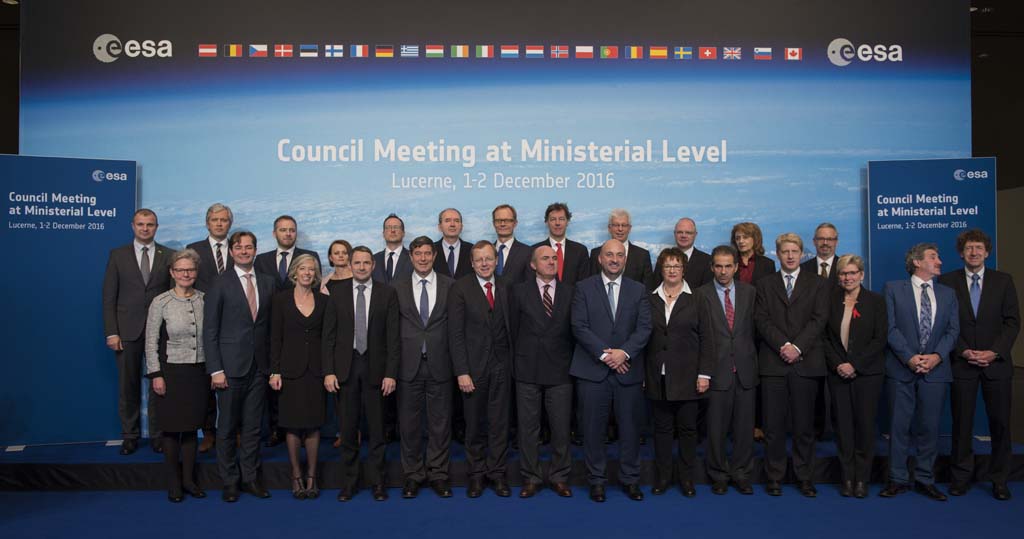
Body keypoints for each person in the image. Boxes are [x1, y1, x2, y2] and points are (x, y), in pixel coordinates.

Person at [938, 230, 1019, 501]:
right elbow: (944, 323)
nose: (974, 252)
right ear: (961, 253)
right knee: (962, 424)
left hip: (996, 365)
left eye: (979, 248)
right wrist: (963, 351)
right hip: (963, 364)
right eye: (969, 248)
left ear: (987, 252)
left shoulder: (1003, 281)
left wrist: (993, 352)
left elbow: (1012, 322)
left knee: (1000, 424)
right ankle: (960, 478)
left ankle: (999, 480)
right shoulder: (947, 282)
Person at [570, 239, 652, 502]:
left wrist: (623, 353)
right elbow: (579, 326)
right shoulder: (583, 288)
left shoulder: (638, 289)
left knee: (630, 430)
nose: (614, 259)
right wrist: (607, 355)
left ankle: (630, 479)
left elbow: (644, 328)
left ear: (625, 259)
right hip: (593, 371)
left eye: (619, 255)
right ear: (600, 258)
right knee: (593, 431)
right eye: (609, 254)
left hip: (628, 371)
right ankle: (596, 481)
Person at [881, 243, 958, 502]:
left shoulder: (948, 294)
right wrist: (910, 358)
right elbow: (890, 328)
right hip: (902, 369)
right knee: (898, 426)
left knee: (930, 427)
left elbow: (952, 331)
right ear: (917, 261)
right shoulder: (893, 289)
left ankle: (925, 479)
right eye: (933, 257)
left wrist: (936, 357)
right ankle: (898, 479)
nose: (939, 261)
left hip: (935, 371)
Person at [322, 246, 400, 502]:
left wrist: (391, 373)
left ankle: (378, 483)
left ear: (373, 266)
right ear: (350, 264)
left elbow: (393, 337)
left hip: (376, 369)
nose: (362, 267)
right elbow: (329, 336)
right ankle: (350, 483)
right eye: (358, 262)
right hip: (346, 368)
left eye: (367, 262)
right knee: (347, 429)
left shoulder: (387, 293)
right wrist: (329, 371)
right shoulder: (337, 293)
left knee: (377, 431)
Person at [754, 233, 829, 497]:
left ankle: (804, 477)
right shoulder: (764, 284)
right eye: (784, 251)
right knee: (773, 427)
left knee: (804, 427)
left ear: (801, 254)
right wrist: (782, 346)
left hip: (806, 363)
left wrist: (796, 347)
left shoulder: (818, 284)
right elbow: (761, 319)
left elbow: (820, 319)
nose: (789, 255)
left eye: (794, 251)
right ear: (777, 253)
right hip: (773, 363)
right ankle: (774, 476)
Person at [203, 231, 275, 502]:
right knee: (228, 427)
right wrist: (215, 369)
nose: (244, 251)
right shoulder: (219, 283)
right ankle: (229, 481)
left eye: (249, 247)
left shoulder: (267, 283)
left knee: (254, 427)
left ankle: (250, 478)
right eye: (239, 248)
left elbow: (269, 327)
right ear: (231, 252)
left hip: (259, 367)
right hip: (229, 369)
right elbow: (210, 330)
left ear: (256, 250)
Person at [103, 208, 172, 455]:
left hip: (160, 333)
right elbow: (109, 297)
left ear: (156, 226)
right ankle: (130, 435)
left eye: (150, 224)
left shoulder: (169, 255)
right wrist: (112, 332)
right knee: (128, 385)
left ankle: (157, 435)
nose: (145, 228)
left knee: (158, 384)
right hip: (127, 331)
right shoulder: (118, 255)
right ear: (133, 226)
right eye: (141, 224)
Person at [645, 247, 714, 497]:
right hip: (657, 376)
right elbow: (646, 338)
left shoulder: (697, 298)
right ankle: (663, 478)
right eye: (667, 266)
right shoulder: (649, 297)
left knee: (687, 431)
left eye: (676, 266)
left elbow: (708, 339)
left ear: (684, 269)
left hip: (688, 377)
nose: (672, 270)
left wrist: (704, 374)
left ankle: (687, 479)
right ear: (661, 270)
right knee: (661, 431)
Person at [508, 246, 575, 498]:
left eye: (553, 258)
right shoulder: (518, 292)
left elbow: (574, 331)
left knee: (560, 428)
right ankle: (531, 477)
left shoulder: (570, 291)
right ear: (533, 265)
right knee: (528, 429)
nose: (550, 261)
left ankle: (559, 476)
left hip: (561, 370)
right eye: (544, 258)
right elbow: (513, 330)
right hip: (527, 369)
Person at [448, 241, 514, 498]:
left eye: (489, 258)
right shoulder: (460, 288)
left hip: (502, 366)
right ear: (472, 263)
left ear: (496, 260)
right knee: (474, 425)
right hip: (472, 370)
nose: (485, 263)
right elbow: (455, 334)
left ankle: (497, 474)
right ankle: (476, 475)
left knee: (500, 424)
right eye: (479, 260)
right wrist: (462, 371)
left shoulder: (507, 286)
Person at [394, 236, 456, 499]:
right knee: (409, 425)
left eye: (427, 253)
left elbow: (456, 328)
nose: (422, 258)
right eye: (417, 253)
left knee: (440, 425)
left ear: (434, 256)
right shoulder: (395, 288)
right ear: (411, 257)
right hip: (408, 366)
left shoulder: (450, 286)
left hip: (441, 364)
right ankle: (413, 475)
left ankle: (438, 475)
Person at [144, 249, 207, 502]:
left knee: (191, 429)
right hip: (170, 372)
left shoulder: (205, 299)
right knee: (171, 430)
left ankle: (190, 480)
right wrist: (156, 374)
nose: (185, 274)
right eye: (180, 270)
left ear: (196, 272)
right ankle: (174, 483)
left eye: (190, 270)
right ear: (172, 273)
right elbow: (150, 342)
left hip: (198, 371)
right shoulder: (161, 302)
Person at [254, 214, 322, 447]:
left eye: (292, 230)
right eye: (283, 230)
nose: (288, 233)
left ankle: (302, 431)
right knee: (276, 387)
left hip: (301, 327)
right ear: (274, 233)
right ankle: (276, 429)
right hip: (270, 327)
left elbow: (317, 287)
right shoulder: (261, 260)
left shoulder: (310, 257)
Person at [823, 255, 887, 498]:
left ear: (861, 274)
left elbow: (879, 339)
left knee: (865, 426)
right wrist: (839, 364)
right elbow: (825, 338)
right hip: (838, 373)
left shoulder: (875, 301)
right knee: (843, 428)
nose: (847, 278)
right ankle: (847, 477)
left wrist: (855, 365)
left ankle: (862, 479)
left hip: (866, 374)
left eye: (852, 273)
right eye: (843, 274)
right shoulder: (830, 301)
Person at [698, 245, 758, 495]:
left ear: (736, 267)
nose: (723, 271)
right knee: (716, 429)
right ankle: (718, 474)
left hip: (745, 370)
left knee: (745, 429)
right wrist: (703, 372)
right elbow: (699, 336)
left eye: (728, 266)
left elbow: (756, 330)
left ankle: (742, 473)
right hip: (716, 370)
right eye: (718, 266)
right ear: (712, 267)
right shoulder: (701, 294)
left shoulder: (751, 293)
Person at [269, 254, 327, 500]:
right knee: (292, 424)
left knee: (313, 424)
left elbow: (329, 338)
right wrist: (275, 370)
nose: (307, 273)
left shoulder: (324, 301)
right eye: (303, 269)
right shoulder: (280, 300)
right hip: (289, 372)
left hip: (316, 372)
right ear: (295, 272)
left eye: (311, 270)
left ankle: (312, 477)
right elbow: (274, 337)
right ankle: (296, 475)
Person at [186, 202, 234, 453]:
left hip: (234, 324)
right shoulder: (194, 250)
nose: (219, 223)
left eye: (224, 220)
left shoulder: (239, 248)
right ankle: (209, 433)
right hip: (205, 322)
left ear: (230, 223)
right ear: (207, 223)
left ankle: (232, 430)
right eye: (215, 220)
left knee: (233, 381)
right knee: (207, 381)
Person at [589, 209, 653, 289]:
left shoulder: (642, 256)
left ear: (629, 228)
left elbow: (648, 290)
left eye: (624, 225)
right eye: (616, 225)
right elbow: (590, 286)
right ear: (609, 228)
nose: (620, 229)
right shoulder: (596, 253)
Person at [532, 202, 590, 286]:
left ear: (567, 222)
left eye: (561, 219)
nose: (557, 223)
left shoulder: (580, 251)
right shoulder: (535, 250)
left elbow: (584, 284)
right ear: (546, 222)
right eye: (553, 219)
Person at [655, 217, 712, 290]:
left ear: (695, 234)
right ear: (674, 234)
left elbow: (707, 292)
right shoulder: (663, 259)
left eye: (688, 233)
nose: (683, 236)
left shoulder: (707, 261)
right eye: (680, 232)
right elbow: (655, 288)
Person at [492, 204, 532, 285]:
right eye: (498, 220)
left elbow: (530, 285)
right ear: (493, 223)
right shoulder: (487, 252)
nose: (502, 224)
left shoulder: (528, 252)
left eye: (507, 220)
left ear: (515, 223)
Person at [433, 208, 474, 280]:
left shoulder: (472, 250)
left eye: (456, 221)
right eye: (447, 220)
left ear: (461, 227)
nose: (452, 224)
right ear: (440, 227)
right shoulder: (431, 250)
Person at [373, 214, 413, 284]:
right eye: (388, 227)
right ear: (383, 233)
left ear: (403, 233)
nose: (392, 230)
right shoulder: (374, 259)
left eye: (396, 227)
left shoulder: (413, 258)